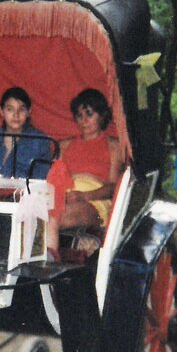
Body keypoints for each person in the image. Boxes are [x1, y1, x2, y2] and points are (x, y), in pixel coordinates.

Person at [44, 88, 127, 258]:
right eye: (80, 116)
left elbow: (113, 187)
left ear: (102, 116)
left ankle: (49, 265)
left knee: (52, 218)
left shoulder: (114, 146)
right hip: (63, 197)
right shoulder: (64, 145)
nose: (84, 120)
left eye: (89, 114)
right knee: (37, 213)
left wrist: (85, 196)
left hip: (95, 201)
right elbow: (54, 179)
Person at [0, 86, 53, 179]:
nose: (16, 115)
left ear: (29, 112)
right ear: (1, 111)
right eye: (10, 109)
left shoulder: (39, 142)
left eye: (21, 109)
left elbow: (39, 180)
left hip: (23, 193)